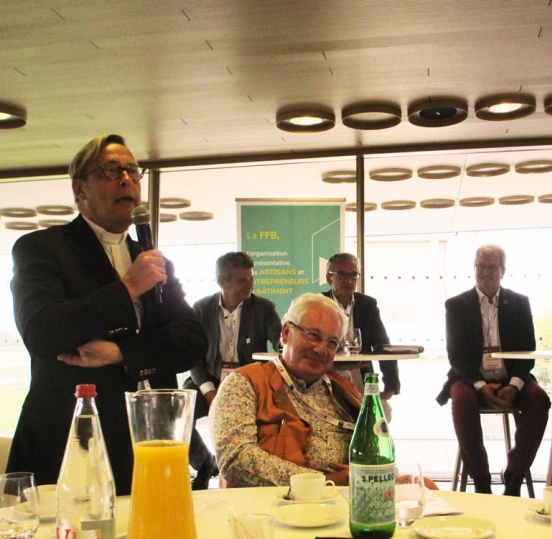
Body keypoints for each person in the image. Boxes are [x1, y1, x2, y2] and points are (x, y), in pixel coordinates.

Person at [6, 134, 208, 495]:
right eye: (111, 170)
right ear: (79, 189)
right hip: (72, 436)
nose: (127, 179)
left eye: (133, 170)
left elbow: (191, 341)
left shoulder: (151, 259)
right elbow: (43, 331)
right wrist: (127, 288)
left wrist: (121, 354)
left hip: (151, 440)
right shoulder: (42, 249)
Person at [209, 293, 361, 487]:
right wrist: (322, 483)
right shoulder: (244, 383)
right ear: (286, 333)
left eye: (332, 343)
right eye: (313, 335)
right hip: (268, 511)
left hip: (343, 507)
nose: (321, 349)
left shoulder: (345, 392)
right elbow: (235, 458)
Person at [437, 244, 550, 495]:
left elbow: (526, 351)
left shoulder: (519, 303)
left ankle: (514, 475)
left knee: (540, 399)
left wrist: (514, 385)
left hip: (512, 378)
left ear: (503, 270)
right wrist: (481, 385)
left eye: (492, 266)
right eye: (481, 265)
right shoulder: (456, 305)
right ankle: (481, 480)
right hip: (470, 379)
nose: (485, 271)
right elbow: (457, 355)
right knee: (462, 400)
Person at [185, 251, 282, 488]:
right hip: (208, 378)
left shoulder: (264, 308)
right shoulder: (201, 309)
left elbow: (279, 340)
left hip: (248, 382)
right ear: (222, 282)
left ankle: (247, 474)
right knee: (177, 414)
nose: (249, 285)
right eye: (242, 280)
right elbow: (192, 355)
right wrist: (209, 391)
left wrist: (288, 343)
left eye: (251, 278)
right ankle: (205, 462)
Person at [322, 253, 399, 403]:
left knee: (383, 414)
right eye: (342, 274)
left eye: (353, 274)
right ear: (328, 278)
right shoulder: (318, 303)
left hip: (358, 372)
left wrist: (391, 385)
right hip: (325, 372)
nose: (349, 280)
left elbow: (382, 345)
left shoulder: (367, 305)